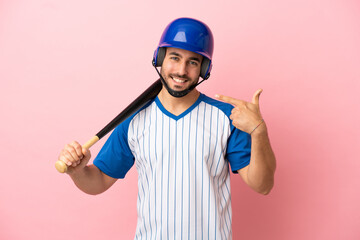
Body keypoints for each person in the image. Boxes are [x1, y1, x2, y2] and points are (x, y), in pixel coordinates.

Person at [58, 17, 276, 239]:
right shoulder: (133, 120)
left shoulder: (227, 118)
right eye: (174, 57)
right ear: (159, 58)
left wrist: (259, 132)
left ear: (204, 68)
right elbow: (99, 181)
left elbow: (263, 185)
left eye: (193, 62)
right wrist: (78, 172)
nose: (181, 70)